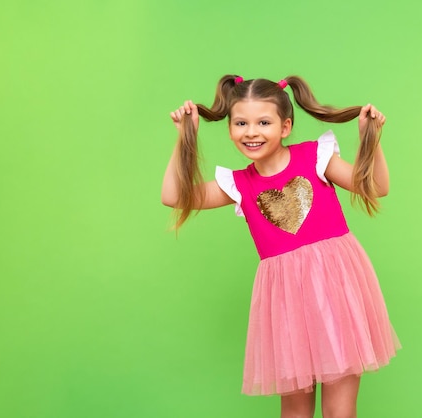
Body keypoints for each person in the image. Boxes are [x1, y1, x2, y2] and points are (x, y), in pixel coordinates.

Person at [162, 75, 401, 418]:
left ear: (285, 126)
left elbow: (376, 187)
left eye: (263, 122)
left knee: (340, 412)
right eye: (241, 123)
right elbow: (172, 196)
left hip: (336, 294)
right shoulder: (239, 184)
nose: (251, 132)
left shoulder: (317, 156)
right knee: (294, 413)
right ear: (229, 128)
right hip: (286, 305)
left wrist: (371, 140)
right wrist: (185, 136)